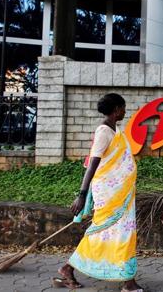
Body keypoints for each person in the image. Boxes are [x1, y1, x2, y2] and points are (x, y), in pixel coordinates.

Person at [53, 93, 143, 292]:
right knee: (114, 233)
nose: (125, 111)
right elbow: (92, 164)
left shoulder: (115, 130)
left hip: (122, 193)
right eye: (124, 108)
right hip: (110, 194)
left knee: (119, 234)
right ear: (117, 109)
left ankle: (69, 269)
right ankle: (127, 282)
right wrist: (82, 194)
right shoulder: (104, 132)